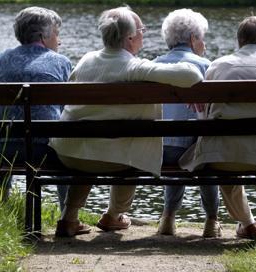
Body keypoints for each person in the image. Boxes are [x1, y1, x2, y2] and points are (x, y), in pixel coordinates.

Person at [49, 6, 203, 237]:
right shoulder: (134, 66)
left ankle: (68, 217)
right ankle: (114, 215)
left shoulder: (86, 60)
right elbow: (193, 76)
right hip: (113, 158)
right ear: (130, 37)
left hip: (71, 152)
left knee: (91, 146)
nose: (144, 33)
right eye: (142, 29)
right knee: (129, 150)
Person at [179, 16, 256, 239]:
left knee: (218, 146)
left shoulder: (218, 66)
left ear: (239, 40)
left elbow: (206, 117)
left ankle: (246, 223)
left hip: (224, 157)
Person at [0, 6, 70, 209]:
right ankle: (67, 215)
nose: (59, 41)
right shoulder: (61, 62)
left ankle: (2, 206)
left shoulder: (3, 58)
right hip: (46, 150)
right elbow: (67, 109)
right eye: (57, 34)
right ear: (43, 36)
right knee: (65, 139)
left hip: (3, 147)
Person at [153, 9, 221, 238]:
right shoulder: (206, 67)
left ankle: (168, 218)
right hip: (196, 153)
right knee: (204, 146)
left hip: (157, 153)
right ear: (193, 39)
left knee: (175, 142)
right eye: (202, 37)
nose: (204, 43)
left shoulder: (153, 66)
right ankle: (212, 220)